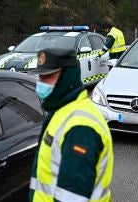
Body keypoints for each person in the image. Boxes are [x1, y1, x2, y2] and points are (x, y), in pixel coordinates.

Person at [28, 48, 114, 202]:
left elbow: (72, 197)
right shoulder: (61, 111)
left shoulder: (81, 127)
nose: (41, 83)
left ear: (67, 77)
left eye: (49, 77)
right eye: (41, 77)